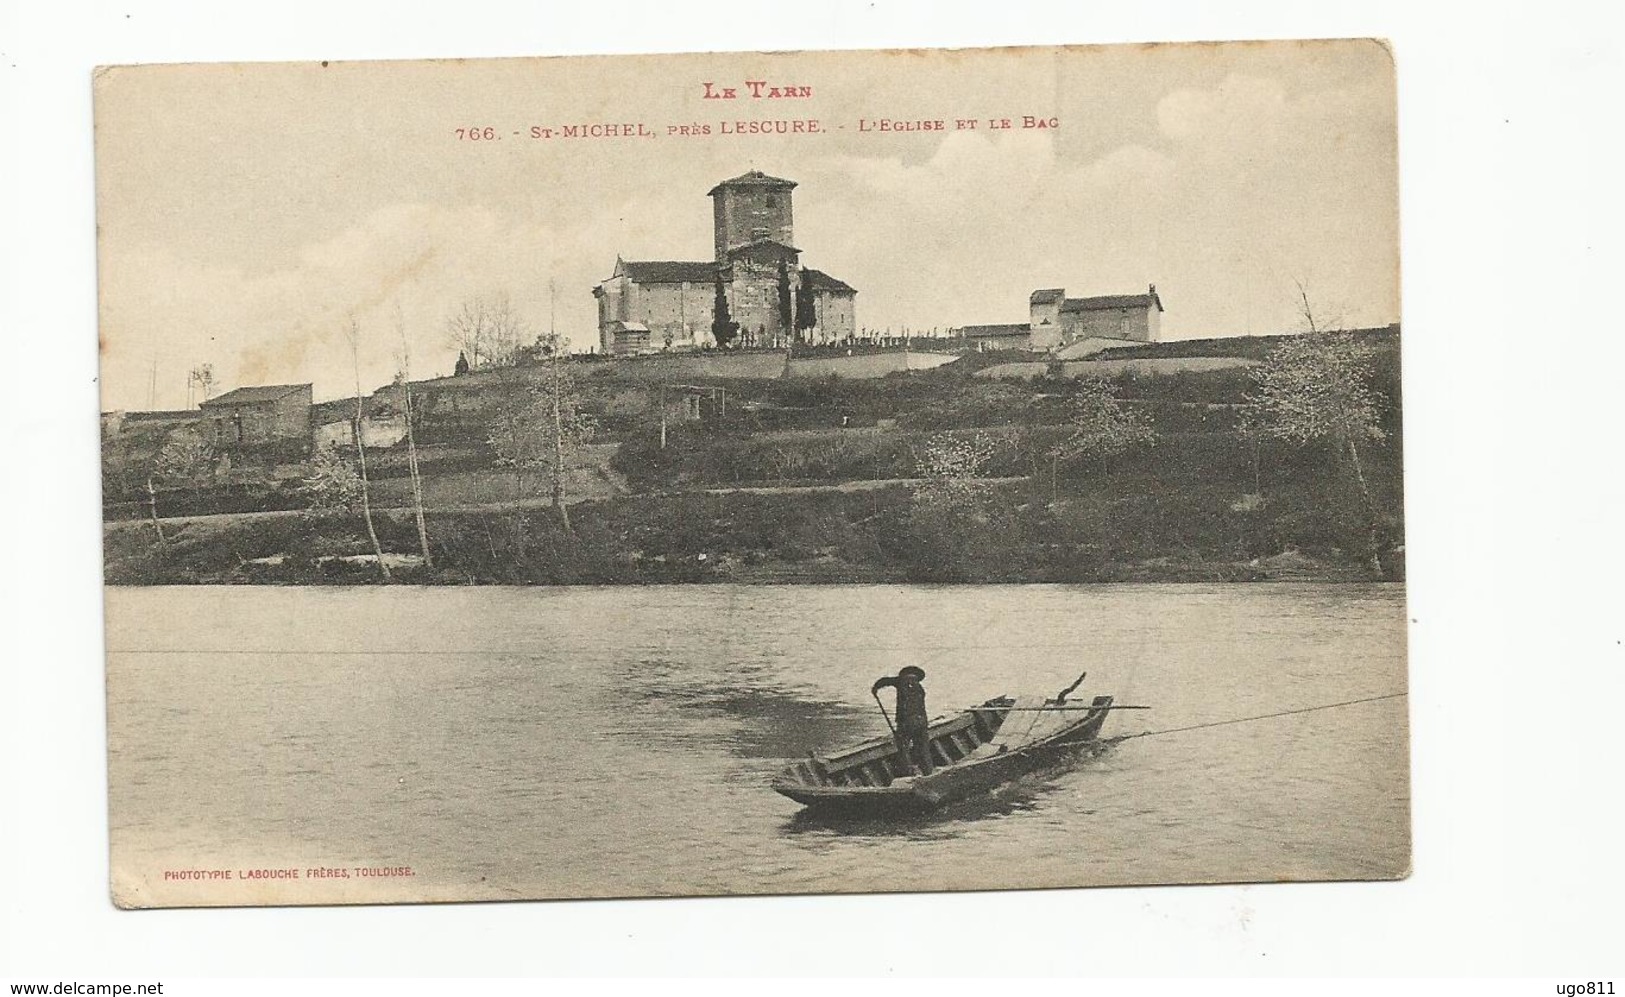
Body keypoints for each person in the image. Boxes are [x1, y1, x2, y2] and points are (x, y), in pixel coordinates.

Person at [872, 666, 933, 776]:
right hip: (922, 721)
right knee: (923, 747)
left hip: (906, 722)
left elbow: (885, 681)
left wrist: (875, 688)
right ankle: (928, 771)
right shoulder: (920, 688)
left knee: (903, 747)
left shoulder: (901, 681)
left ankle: (907, 772)